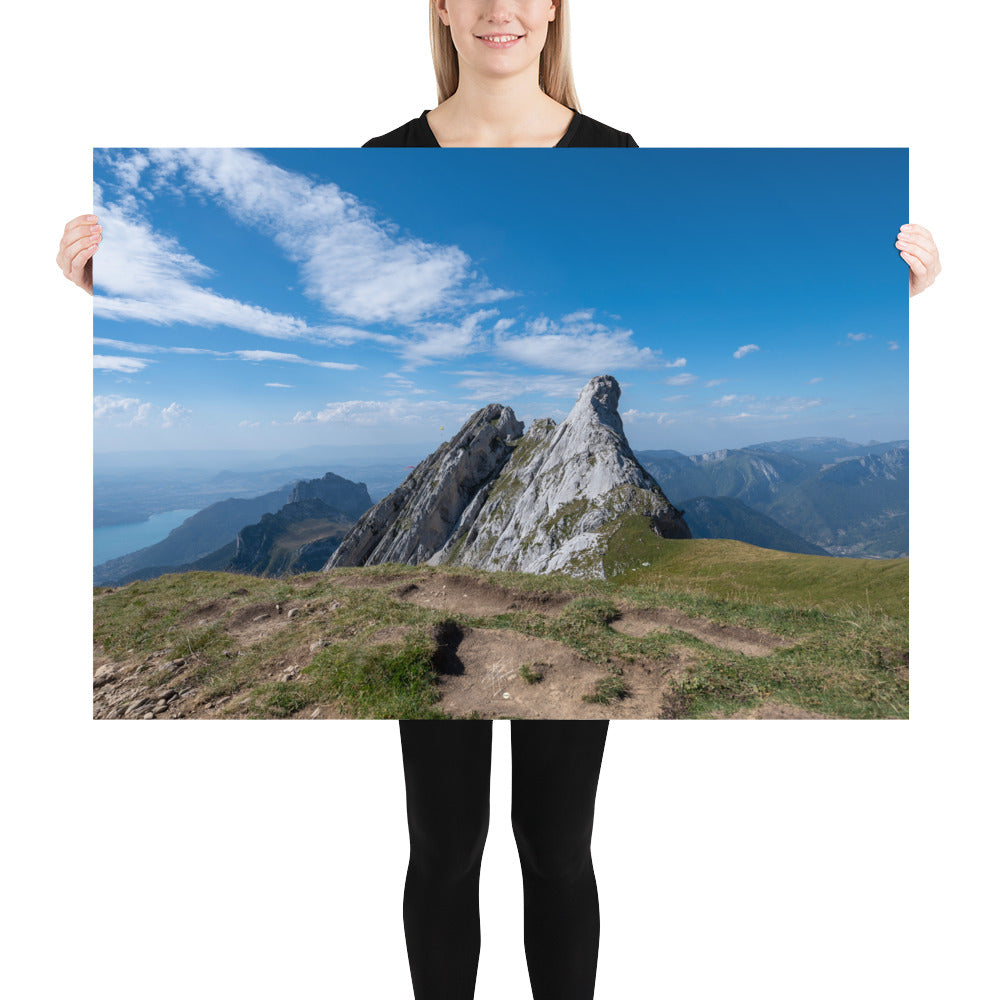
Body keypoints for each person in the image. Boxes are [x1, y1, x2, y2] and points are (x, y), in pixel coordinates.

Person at [72, 4, 937, 998]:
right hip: (440, 625)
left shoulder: (616, 152)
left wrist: (896, 300)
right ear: (436, 6)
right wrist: (120, 283)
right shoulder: (384, 155)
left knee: (556, 848)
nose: (497, 8)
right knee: (445, 848)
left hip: (549, 645)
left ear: (557, 8)